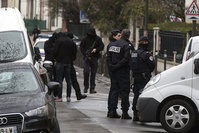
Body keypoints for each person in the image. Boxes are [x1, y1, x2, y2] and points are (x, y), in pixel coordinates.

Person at [106, 29, 133, 119]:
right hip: (123, 72)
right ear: (128, 36)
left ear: (121, 35)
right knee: (125, 92)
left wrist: (111, 66)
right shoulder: (126, 45)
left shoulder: (111, 44)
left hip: (113, 71)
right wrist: (118, 66)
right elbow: (126, 59)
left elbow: (108, 57)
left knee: (114, 90)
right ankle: (124, 112)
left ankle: (112, 111)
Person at [130, 36, 155, 121]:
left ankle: (135, 113)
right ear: (145, 43)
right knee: (143, 95)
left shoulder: (134, 53)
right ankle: (141, 113)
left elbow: (131, 64)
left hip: (135, 77)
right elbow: (152, 65)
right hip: (144, 78)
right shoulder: (146, 54)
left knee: (136, 95)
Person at [80, 27, 104, 94]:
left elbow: (102, 46)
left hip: (95, 57)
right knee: (86, 72)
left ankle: (92, 88)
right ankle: (86, 87)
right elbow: (81, 47)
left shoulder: (97, 39)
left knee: (93, 74)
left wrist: (96, 49)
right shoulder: (85, 39)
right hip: (86, 58)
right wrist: (85, 54)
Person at [54, 32, 76, 102]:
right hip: (68, 62)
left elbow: (55, 51)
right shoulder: (71, 42)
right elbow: (74, 52)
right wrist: (71, 59)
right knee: (68, 80)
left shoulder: (59, 41)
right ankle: (68, 96)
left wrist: (55, 59)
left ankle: (59, 96)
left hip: (60, 62)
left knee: (59, 80)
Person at [66, 32, 87, 100]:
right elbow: (74, 55)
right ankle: (78, 94)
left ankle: (58, 95)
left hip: (61, 63)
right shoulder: (73, 44)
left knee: (60, 80)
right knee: (73, 80)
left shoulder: (60, 42)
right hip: (70, 63)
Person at [106, 29, 122, 117]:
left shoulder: (109, 45)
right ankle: (112, 110)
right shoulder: (117, 45)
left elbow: (108, 58)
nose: (120, 38)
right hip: (117, 70)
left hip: (112, 69)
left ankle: (110, 109)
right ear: (114, 36)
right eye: (119, 36)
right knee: (115, 90)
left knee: (113, 90)